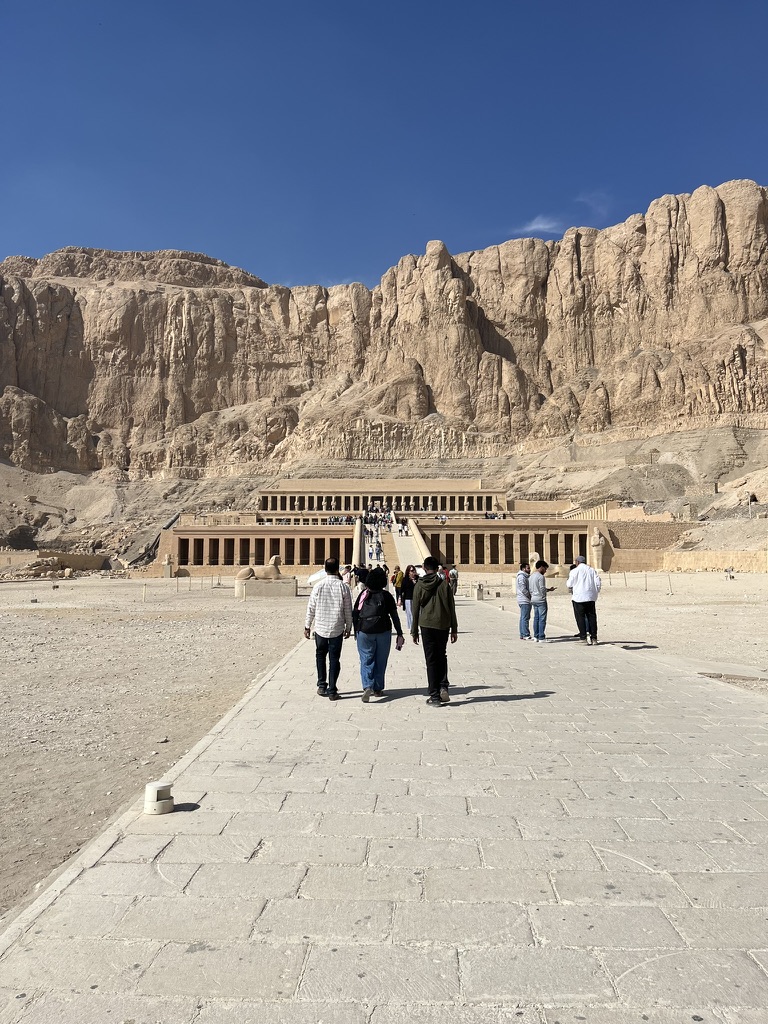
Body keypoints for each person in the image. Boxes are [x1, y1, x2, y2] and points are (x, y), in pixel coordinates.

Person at [411, 555, 458, 706]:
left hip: (426, 625)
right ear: (438, 568)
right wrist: (454, 629)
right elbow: (452, 607)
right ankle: (443, 686)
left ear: (424, 568)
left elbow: (415, 609)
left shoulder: (419, 585)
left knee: (431, 660)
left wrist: (414, 631)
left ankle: (435, 696)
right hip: (443, 625)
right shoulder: (444, 585)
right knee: (441, 655)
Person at [352, 567, 404, 702]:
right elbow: (394, 615)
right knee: (381, 660)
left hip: (364, 630)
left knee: (366, 659)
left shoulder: (364, 594)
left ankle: (367, 685)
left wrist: (355, 630)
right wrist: (399, 632)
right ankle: (378, 688)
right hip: (383, 630)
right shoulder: (386, 595)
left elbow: (355, 613)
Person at [304, 557, 353, 701]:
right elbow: (348, 609)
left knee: (320, 656)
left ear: (325, 569)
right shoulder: (343, 587)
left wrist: (307, 626)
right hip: (336, 628)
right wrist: (348, 627)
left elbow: (311, 608)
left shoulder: (318, 586)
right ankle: (332, 690)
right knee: (334, 659)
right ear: (337, 569)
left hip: (320, 628)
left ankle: (321, 685)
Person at [567, 555, 602, 645]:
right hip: (590, 597)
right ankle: (594, 638)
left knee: (580, 618)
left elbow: (569, 583)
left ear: (577, 562)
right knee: (592, 618)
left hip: (579, 598)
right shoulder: (592, 570)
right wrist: (595, 592)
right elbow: (598, 582)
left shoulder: (575, 571)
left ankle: (583, 638)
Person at [530, 559, 554, 642]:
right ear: (541, 567)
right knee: (542, 619)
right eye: (545, 568)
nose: (545, 571)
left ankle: (536, 636)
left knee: (536, 618)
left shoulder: (532, 576)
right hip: (540, 599)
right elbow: (542, 588)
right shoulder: (541, 577)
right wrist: (544, 595)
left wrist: (549, 590)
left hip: (533, 598)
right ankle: (541, 637)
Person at [516, 562, 533, 640]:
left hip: (524, 599)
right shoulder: (521, 577)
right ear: (523, 569)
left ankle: (523, 634)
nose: (529, 569)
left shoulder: (525, 576)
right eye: (528, 568)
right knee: (525, 617)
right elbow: (523, 589)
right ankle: (525, 634)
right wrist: (530, 596)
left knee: (524, 617)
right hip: (524, 599)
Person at [401, 563, 418, 628]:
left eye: (413, 570)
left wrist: (415, 582)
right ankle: (411, 627)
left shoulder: (417, 579)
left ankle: (414, 626)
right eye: (411, 571)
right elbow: (402, 589)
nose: (413, 572)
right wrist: (400, 599)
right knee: (409, 613)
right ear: (408, 572)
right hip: (408, 598)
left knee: (415, 613)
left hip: (416, 598)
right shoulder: (405, 579)